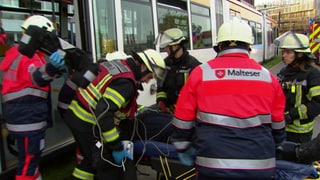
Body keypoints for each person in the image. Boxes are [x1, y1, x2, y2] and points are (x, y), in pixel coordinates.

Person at [170, 19, 286, 179]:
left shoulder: (200, 73)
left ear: (219, 46)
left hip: (212, 164)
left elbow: (182, 119)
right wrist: (278, 144)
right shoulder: (269, 78)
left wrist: (183, 146)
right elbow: (278, 122)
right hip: (259, 165)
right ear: (248, 46)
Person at [60, 49, 166, 180]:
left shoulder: (120, 65)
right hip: (86, 122)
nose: (147, 81)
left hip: (78, 115)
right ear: (143, 66)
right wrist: (115, 145)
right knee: (107, 166)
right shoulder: (127, 83)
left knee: (89, 163)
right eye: (149, 76)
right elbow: (104, 113)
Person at [0, 15, 66, 180]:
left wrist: (53, 68)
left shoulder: (16, 52)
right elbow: (38, 77)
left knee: (30, 160)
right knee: (29, 163)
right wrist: (52, 67)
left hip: (20, 117)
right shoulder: (28, 56)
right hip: (27, 120)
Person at [276, 31, 320, 143]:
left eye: (288, 52)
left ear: (300, 54)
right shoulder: (284, 72)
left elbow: (317, 104)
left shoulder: (312, 74)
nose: (284, 55)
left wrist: (291, 115)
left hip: (300, 134)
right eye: (283, 52)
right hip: (281, 129)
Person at [156, 28, 201, 114]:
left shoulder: (194, 65)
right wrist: (161, 101)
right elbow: (160, 87)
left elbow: (199, 94)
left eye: (167, 46)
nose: (165, 49)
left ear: (176, 46)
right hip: (169, 114)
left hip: (188, 114)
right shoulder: (163, 64)